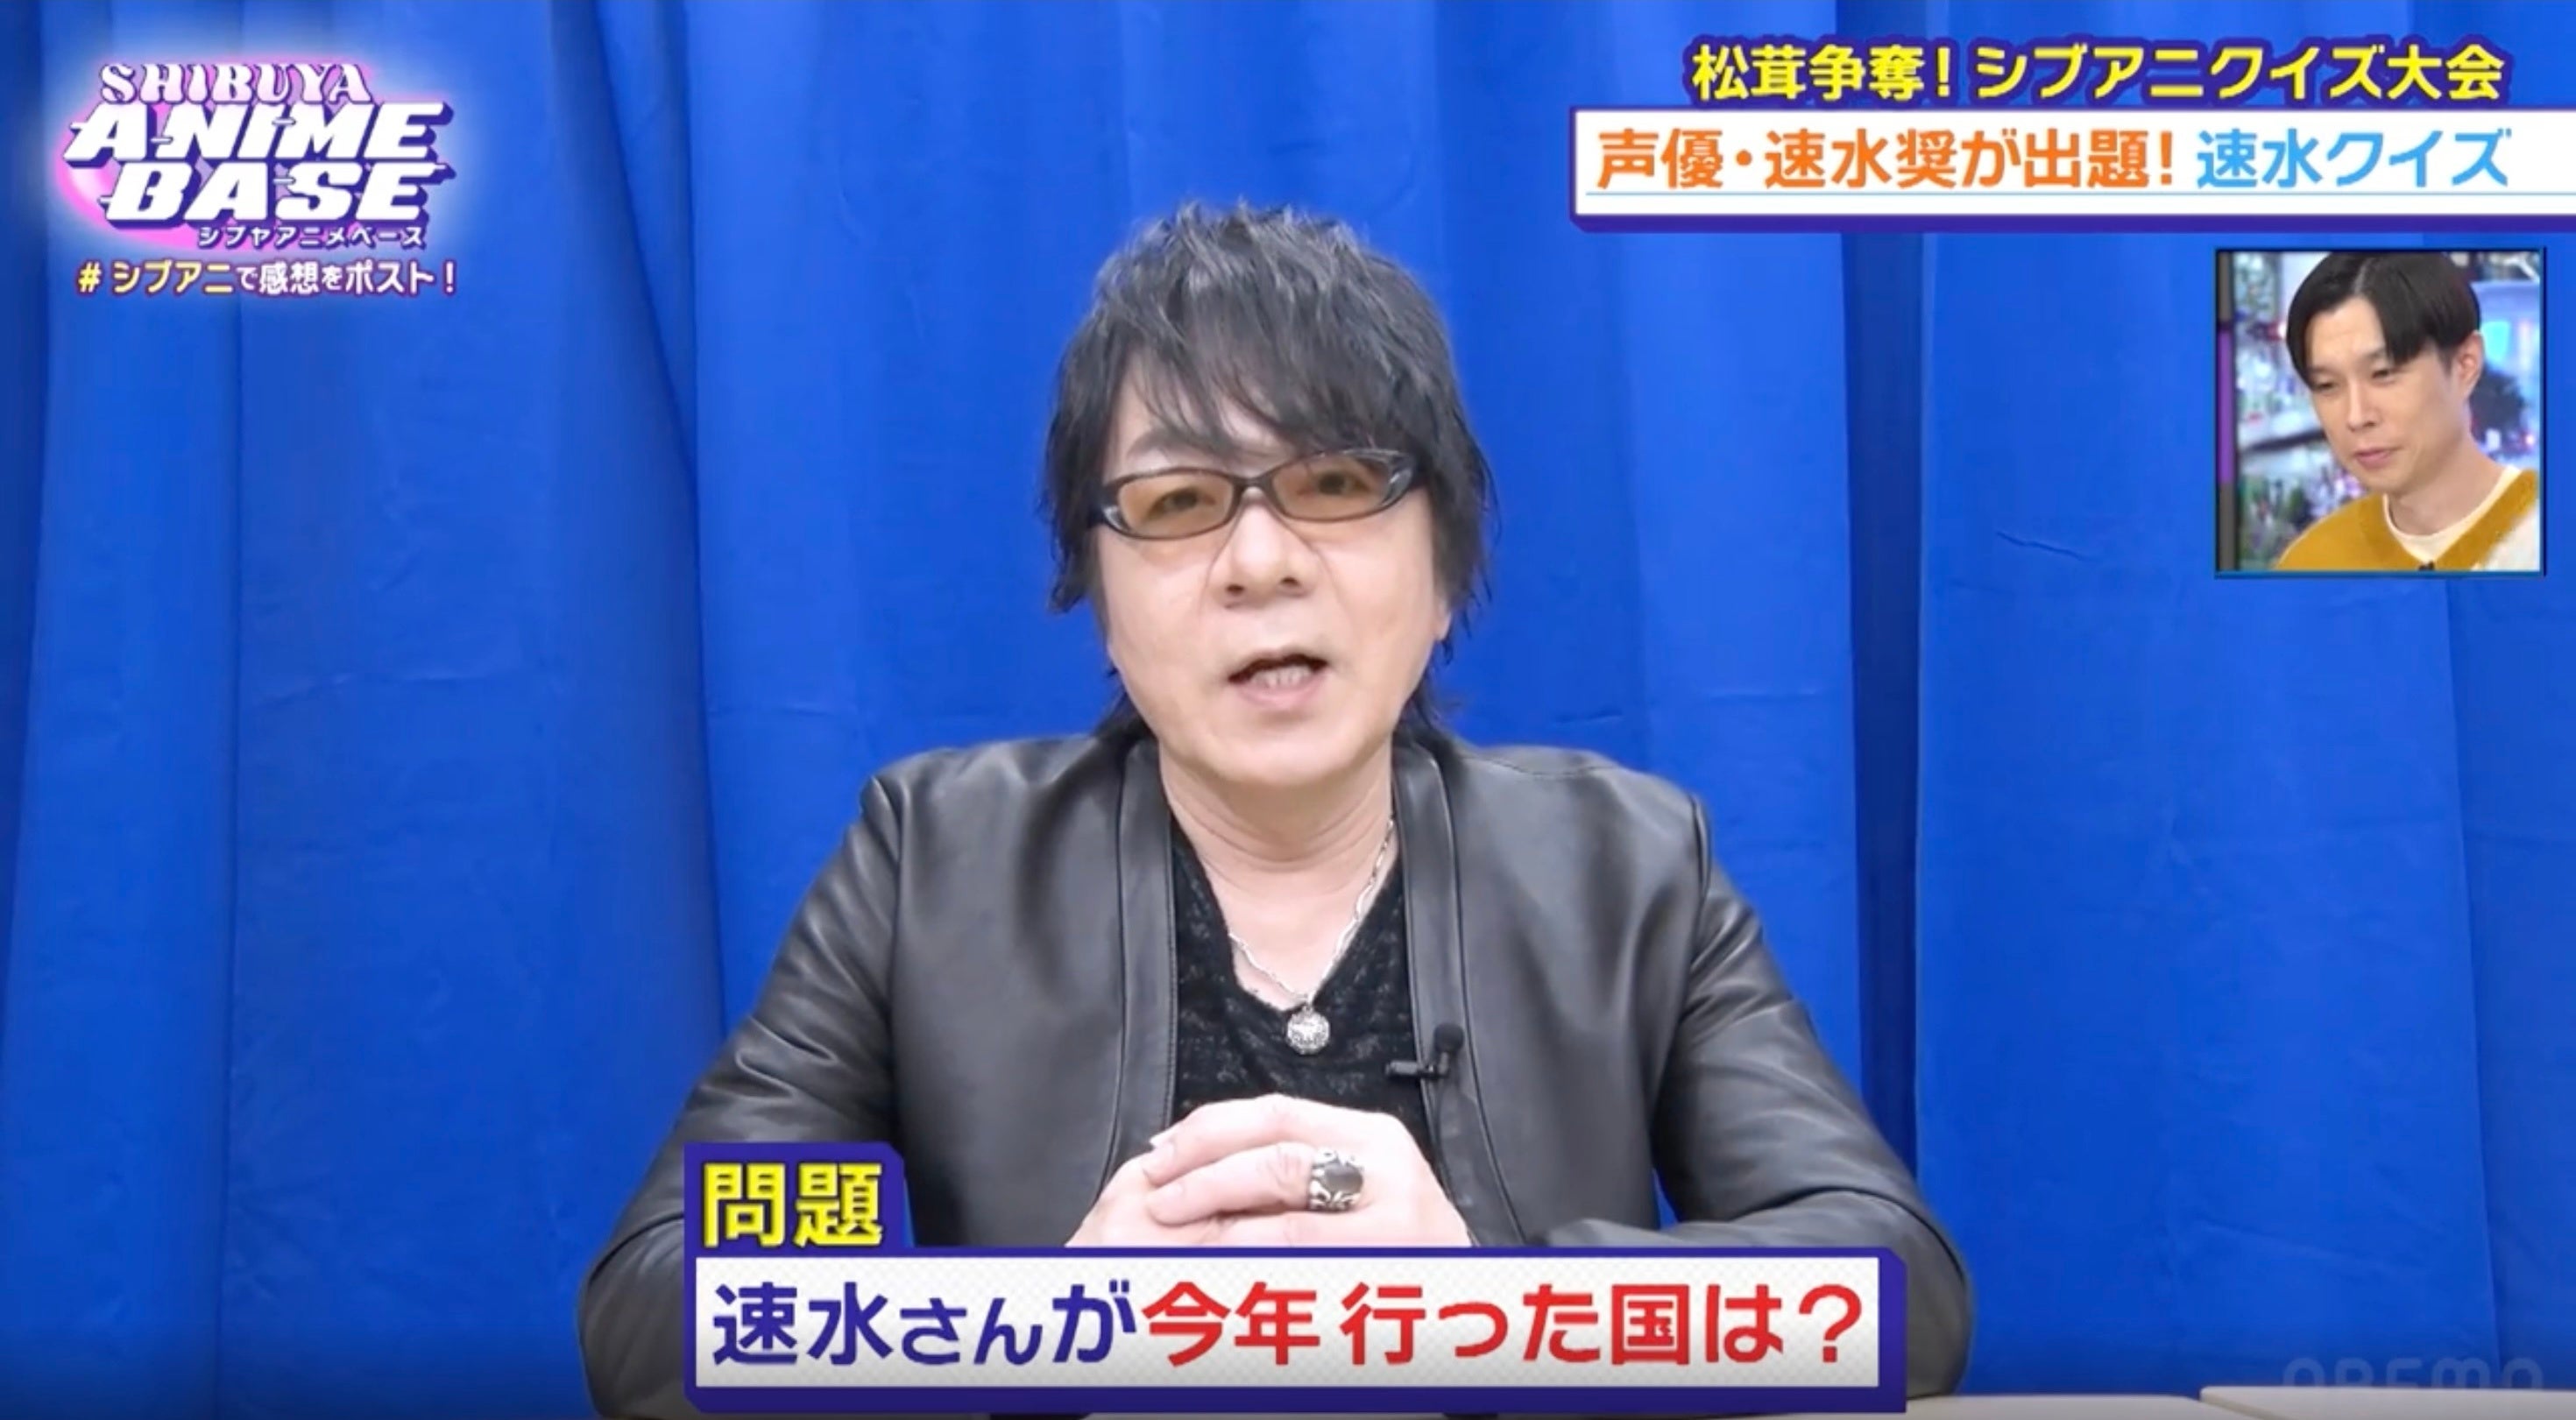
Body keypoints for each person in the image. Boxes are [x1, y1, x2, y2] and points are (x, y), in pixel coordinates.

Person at [577, 201, 1974, 1418]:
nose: (1259, 559)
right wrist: (1050, 1326)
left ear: (1444, 577)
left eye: (1336, 484)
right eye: (1179, 499)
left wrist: (1488, 1303)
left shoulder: (1628, 872)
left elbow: (1895, 1290)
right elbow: (658, 1305)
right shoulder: (931, 867)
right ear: (1100, 601)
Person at [2271, 251, 2541, 572]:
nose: (2356, 416)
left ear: (2465, 365)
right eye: (2327, 385)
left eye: (2383, 373)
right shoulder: (2311, 564)